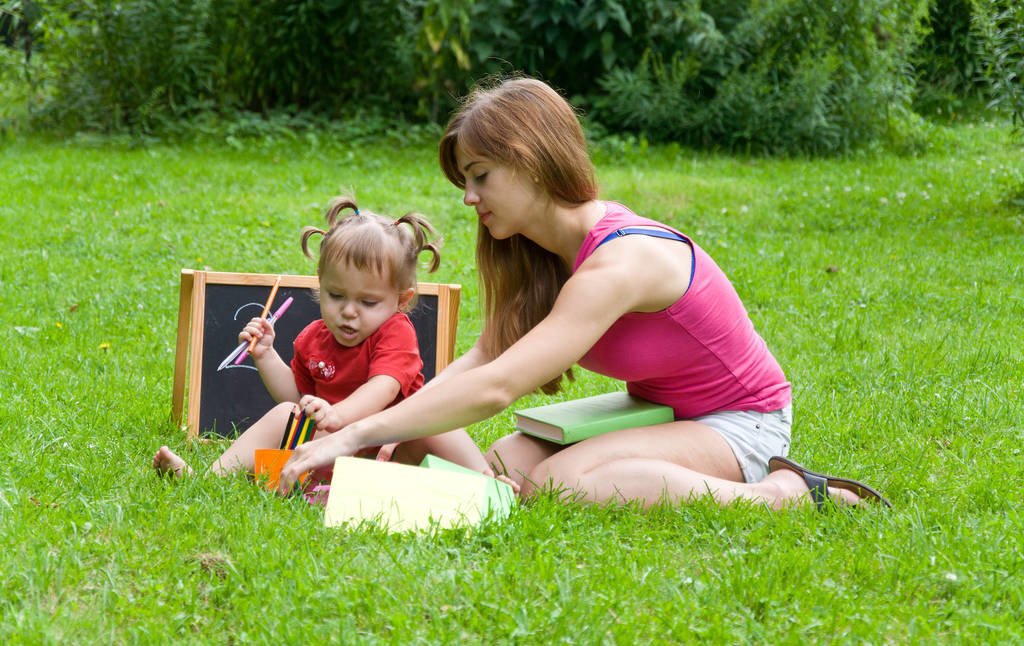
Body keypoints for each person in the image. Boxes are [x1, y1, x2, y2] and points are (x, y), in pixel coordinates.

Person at [277, 78, 890, 510]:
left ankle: (785, 496)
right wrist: (384, 433)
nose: (469, 197)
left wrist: (355, 433)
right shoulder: (539, 253)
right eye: (466, 180)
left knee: (556, 485)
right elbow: (485, 358)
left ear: (532, 162)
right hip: (660, 411)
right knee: (501, 465)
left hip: (740, 422)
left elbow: (497, 387)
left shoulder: (621, 260)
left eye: (481, 176)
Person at [152, 197, 489, 481]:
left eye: (368, 302)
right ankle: (208, 477)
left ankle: (486, 479)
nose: (349, 312)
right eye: (336, 295)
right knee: (286, 412)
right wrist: (266, 355)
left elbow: (384, 387)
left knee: (437, 421)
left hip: (393, 454)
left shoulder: (395, 331)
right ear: (320, 284)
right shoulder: (313, 337)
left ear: (401, 300)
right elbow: (298, 398)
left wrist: (338, 415)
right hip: (329, 456)